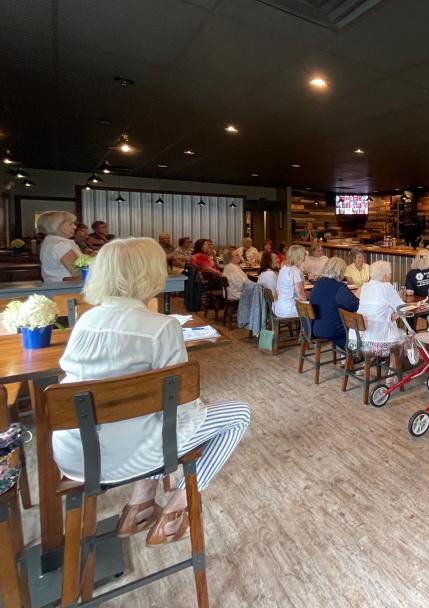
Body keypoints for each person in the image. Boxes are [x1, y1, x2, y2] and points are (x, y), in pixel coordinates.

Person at [52, 238, 250, 545]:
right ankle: (177, 507)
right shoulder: (162, 327)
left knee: (153, 418)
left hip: (76, 455)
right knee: (238, 413)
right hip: (128, 456)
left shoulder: (85, 320)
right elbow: (182, 407)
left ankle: (141, 501)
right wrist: (200, 406)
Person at [354, 261, 406, 368]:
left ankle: (366, 366)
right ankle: (391, 375)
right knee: (403, 336)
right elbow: (402, 308)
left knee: (380, 330)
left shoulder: (365, 286)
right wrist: (395, 312)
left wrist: (390, 312)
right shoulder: (386, 287)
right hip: (376, 344)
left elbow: (375, 307)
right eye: (390, 274)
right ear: (385, 276)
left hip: (357, 341)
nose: (390, 276)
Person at [308, 257, 359, 348]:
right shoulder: (339, 287)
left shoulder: (318, 283)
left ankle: (346, 354)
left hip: (315, 327)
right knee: (358, 324)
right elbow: (355, 306)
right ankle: (352, 352)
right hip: (332, 329)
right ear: (340, 272)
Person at [38, 211, 82, 282]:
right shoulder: (61, 245)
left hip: (53, 286)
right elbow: (78, 272)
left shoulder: (49, 240)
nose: (75, 227)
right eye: (70, 224)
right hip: (68, 288)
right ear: (56, 226)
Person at [273, 244, 307, 318]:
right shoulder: (294, 270)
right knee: (313, 310)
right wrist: (308, 304)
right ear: (299, 257)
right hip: (288, 309)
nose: (305, 258)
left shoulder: (284, 268)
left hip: (277, 307)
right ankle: (306, 329)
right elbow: (300, 293)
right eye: (304, 255)